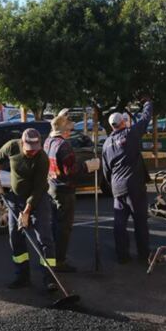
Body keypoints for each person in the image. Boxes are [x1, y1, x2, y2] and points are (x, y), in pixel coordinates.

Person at [0, 128, 55, 290]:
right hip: (15, 199)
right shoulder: (12, 147)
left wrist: (26, 212)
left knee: (44, 238)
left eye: (35, 150)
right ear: (22, 143)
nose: (32, 153)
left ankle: (50, 278)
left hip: (38, 200)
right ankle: (22, 276)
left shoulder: (42, 159)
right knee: (15, 236)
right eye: (29, 150)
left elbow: (39, 188)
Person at [44, 109, 100, 272]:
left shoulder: (48, 142)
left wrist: (62, 116)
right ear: (64, 131)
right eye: (69, 130)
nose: (70, 133)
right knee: (63, 228)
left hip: (52, 186)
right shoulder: (64, 146)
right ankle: (59, 262)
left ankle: (51, 258)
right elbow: (71, 171)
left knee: (55, 225)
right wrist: (88, 166)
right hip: (64, 190)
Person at [101, 98, 153, 264]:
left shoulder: (107, 144)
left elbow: (106, 170)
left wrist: (111, 187)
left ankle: (122, 255)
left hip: (118, 188)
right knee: (140, 222)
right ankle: (144, 254)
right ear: (123, 122)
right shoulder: (130, 134)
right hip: (134, 187)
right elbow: (145, 119)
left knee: (119, 224)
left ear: (112, 126)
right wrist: (147, 103)